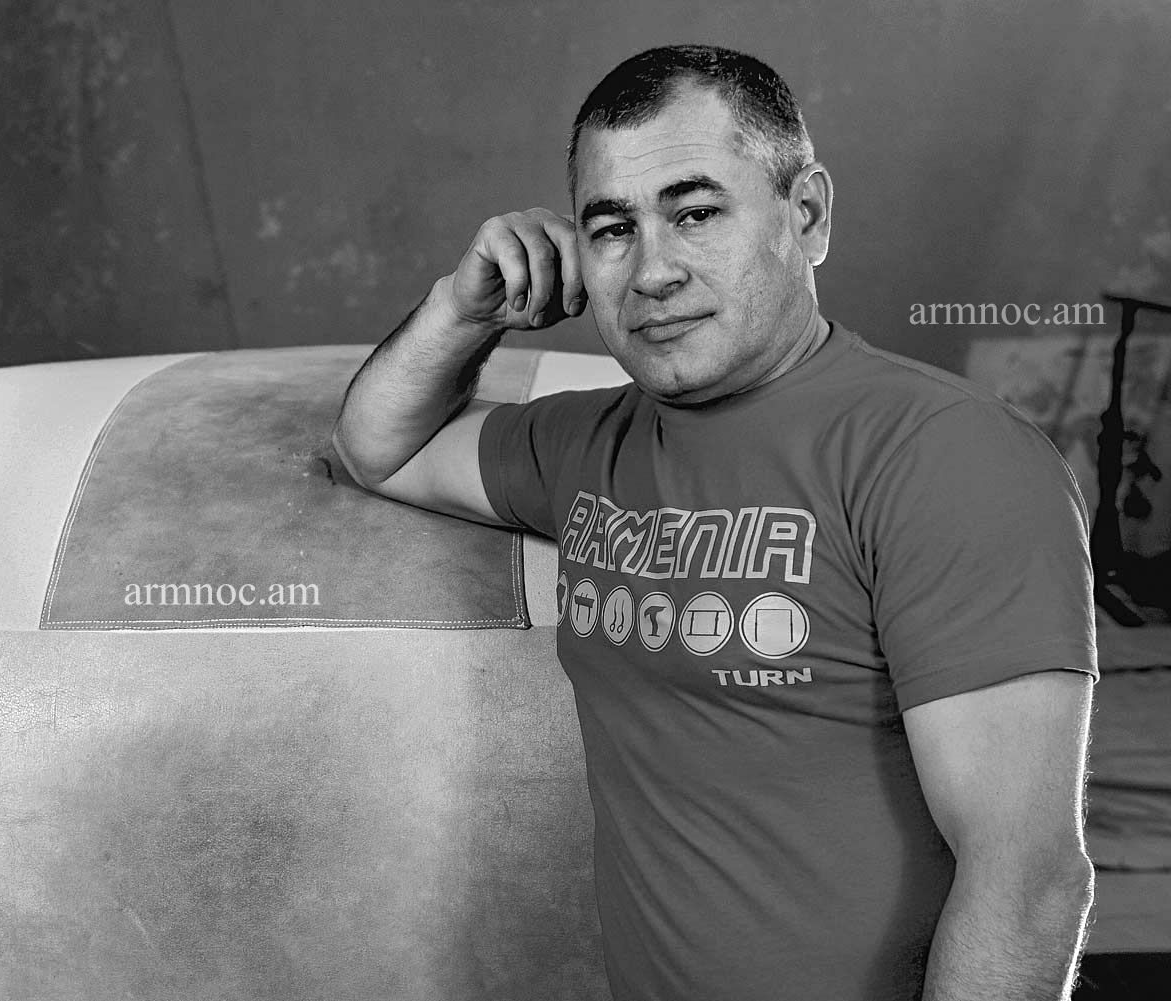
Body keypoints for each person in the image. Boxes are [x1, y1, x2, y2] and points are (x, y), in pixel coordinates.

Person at [331, 44, 1098, 1001]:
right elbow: (377, 447)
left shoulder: (945, 458)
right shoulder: (586, 447)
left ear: (806, 214)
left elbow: (1029, 882)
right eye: (613, 228)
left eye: (695, 213)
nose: (652, 270)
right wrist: (464, 306)